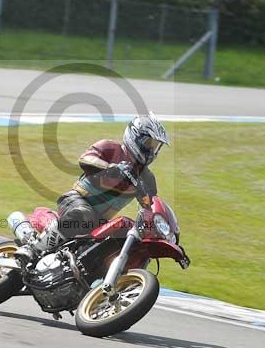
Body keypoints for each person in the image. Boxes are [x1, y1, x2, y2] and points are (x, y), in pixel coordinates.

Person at [15, 113, 170, 265]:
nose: (152, 150)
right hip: (76, 201)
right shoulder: (110, 148)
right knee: (84, 213)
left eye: (156, 146)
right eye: (149, 143)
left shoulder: (148, 179)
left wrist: (163, 229)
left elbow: (151, 207)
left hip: (101, 221)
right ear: (135, 137)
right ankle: (33, 249)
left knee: (126, 241)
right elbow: (85, 160)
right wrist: (111, 168)